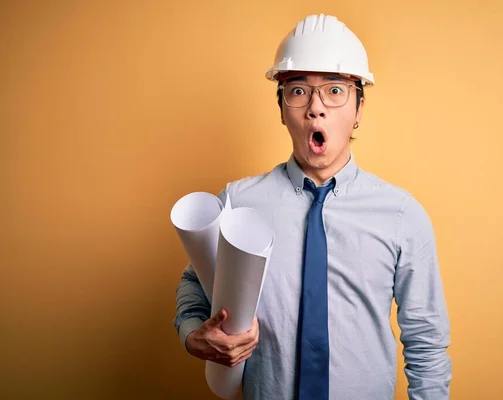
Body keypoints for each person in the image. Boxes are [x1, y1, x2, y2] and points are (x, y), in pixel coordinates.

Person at [173, 14, 452, 400]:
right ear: (282, 107)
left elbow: (426, 343)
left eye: (335, 90)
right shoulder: (238, 203)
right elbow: (194, 283)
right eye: (299, 90)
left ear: (358, 109)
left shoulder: (402, 215)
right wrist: (193, 336)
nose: (315, 108)